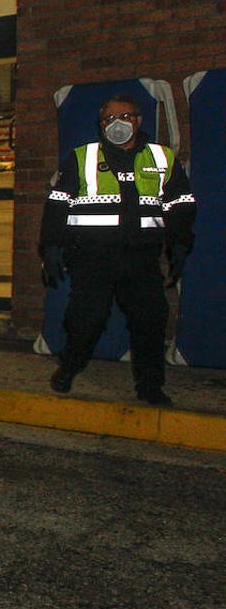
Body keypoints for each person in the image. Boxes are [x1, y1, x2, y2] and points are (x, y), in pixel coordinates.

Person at [40, 93, 196, 406]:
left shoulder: (161, 157)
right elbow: (57, 206)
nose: (117, 124)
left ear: (138, 120)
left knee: (150, 322)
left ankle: (150, 386)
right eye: (108, 119)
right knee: (87, 320)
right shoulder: (83, 157)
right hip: (92, 258)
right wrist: (52, 247)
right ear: (100, 125)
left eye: (124, 117)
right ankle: (69, 367)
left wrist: (179, 243)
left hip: (141, 260)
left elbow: (181, 203)